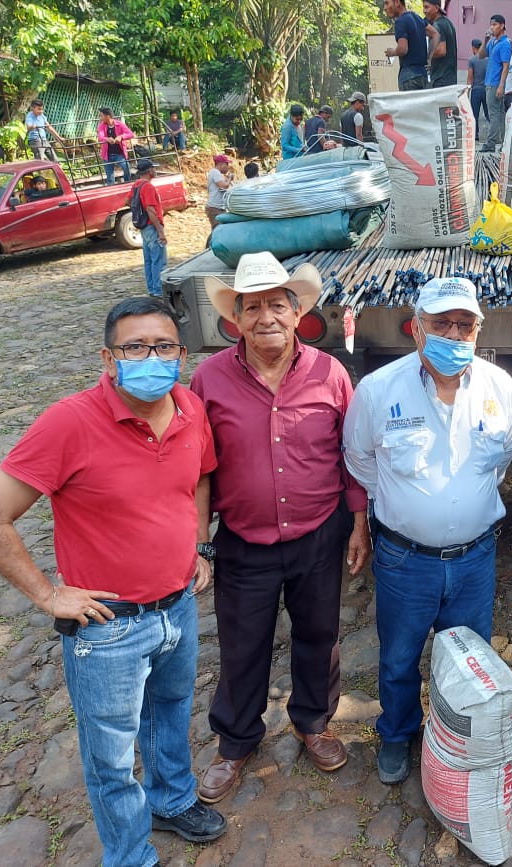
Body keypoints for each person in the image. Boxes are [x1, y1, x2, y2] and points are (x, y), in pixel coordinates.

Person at [0, 296, 227, 867]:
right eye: (135, 347)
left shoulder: (189, 408)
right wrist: (47, 594)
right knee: (111, 756)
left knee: (171, 714)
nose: (151, 358)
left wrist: (198, 545)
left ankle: (172, 800)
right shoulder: (69, 422)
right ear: (109, 359)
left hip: (178, 606)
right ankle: (130, 855)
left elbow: (199, 479)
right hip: (108, 627)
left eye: (163, 346)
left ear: (182, 355)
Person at [190, 251, 370, 801]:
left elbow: (352, 454)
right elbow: (197, 467)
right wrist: (199, 541)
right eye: (252, 308)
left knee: (320, 634)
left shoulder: (330, 373)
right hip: (244, 540)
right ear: (235, 319)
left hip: (319, 533)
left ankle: (313, 722)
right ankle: (235, 741)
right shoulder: (208, 379)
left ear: (297, 314)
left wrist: (358, 523)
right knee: (242, 643)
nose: (265, 317)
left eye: (277, 305)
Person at [343, 276, 512, 785]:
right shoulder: (378, 390)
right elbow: (360, 460)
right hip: (405, 560)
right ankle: (397, 733)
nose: (454, 335)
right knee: (399, 657)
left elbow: (503, 457)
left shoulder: (500, 388)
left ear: (478, 330)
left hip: (474, 559)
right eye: (441, 324)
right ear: (416, 328)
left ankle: (456, 740)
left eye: (465, 325)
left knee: (468, 660)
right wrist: (407, 506)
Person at [132, 158, 166, 298]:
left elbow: (128, 200)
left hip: (144, 227)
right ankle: (159, 290)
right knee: (158, 260)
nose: (155, 170)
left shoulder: (136, 185)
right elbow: (151, 210)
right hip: (152, 226)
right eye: (153, 168)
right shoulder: (148, 187)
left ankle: (152, 288)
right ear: (149, 171)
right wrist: (160, 231)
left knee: (149, 260)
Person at [479, 14, 512, 152]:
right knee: (499, 114)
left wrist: (501, 85)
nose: (492, 27)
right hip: (490, 82)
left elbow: (506, 66)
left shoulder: (505, 44)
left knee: (494, 114)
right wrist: (485, 39)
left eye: (495, 25)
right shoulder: (493, 42)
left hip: (495, 84)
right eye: (491, 25)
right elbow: (480, 55)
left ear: (502, 25)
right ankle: (505, 142)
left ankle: (491, 143)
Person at [383, 0, 428, 91]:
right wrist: (430, 58)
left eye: (387, 3)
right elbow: (435, 34)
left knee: (408, 101)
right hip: (423, 74)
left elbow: (403, 49)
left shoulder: (400, 21)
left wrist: (392, 52)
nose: (385, 8)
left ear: (397, 2)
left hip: (408, 76)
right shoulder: (417, 18)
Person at [423, 0, 457, 88]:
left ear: (436, 8)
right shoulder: (447, 22)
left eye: (426, 7)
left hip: (440, 80)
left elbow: (441, 50)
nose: (424, 11)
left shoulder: (438, 25)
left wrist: (423, 55)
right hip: (449, 79)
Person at [97, 107, 135, 185]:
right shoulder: (101, 126)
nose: (100, 118)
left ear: (108, 116)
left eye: (101, 116)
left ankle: (127, 183)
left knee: (126, 168)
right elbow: (100, 137)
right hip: (107, 154)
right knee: (110, 176)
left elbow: (130, 134)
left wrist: (121, 137)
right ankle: (111, 188)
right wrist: (107, 139)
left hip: (119, 153)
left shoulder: (119, 124)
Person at [467, 39, 489, 139]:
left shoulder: (472, 60)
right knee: (488, 113)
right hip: (486, 89)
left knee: (474, 114)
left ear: (473, 48)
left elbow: (470, 77)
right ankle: (493, 134)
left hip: (476, 90)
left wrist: (467, 91)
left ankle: (475, 135)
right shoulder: (488, 59)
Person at [205, 153, 233, 229]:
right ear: (221, 164)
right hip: (215, 207)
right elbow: (223, 186)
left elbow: (223, 188)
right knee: (218, 230)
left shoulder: (216, 173)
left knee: (221, 229)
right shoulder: (215, 173)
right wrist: (229, 178)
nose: (228, 167)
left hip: (218, 207)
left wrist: (227, 179)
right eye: (227, 164)